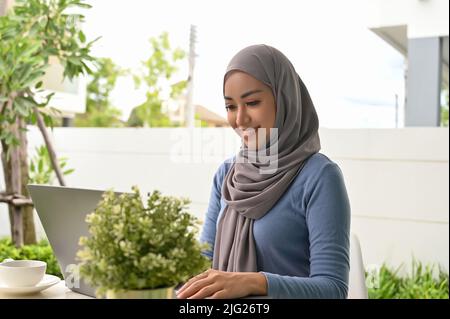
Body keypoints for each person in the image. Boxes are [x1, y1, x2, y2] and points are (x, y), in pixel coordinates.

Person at [176, 44, 351, 299]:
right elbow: (206, 260)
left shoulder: (320, 176)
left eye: (252, 102)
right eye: (230, 106)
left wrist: (254, 283)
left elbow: (333, 289)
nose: (240, 119)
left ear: (284, 100)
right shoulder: (227, 175)